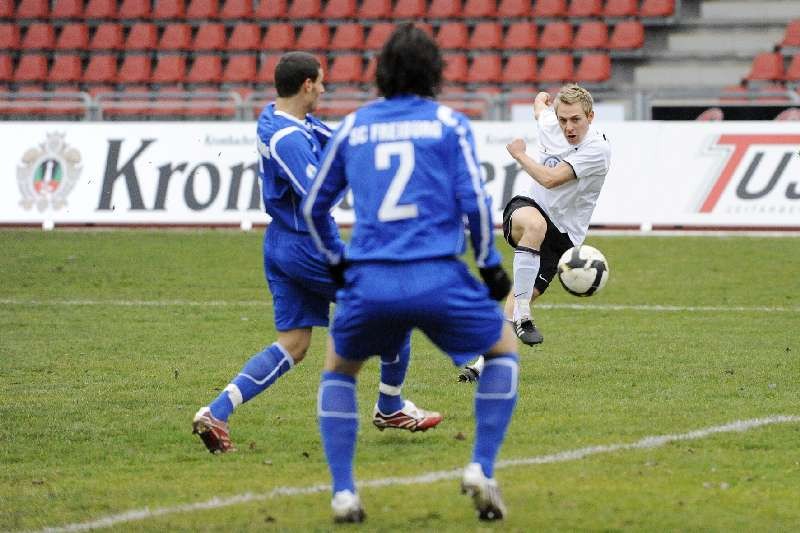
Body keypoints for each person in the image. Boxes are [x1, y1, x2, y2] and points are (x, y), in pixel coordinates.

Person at [303, 25, 519, 523]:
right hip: (438, 275)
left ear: (381, 72)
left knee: (339, 370)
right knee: (502, 350)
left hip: (371, 279)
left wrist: (337, 263)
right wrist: (489, 266)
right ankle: (481, 467)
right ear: (434, 72)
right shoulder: (448, 123)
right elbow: (476, 204)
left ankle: (343, 493)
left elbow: (314, 206)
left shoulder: (354, 125)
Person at [192, 51, 442, 454]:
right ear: (307, 85)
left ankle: (216, 412)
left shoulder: (282, 119)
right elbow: (317, 197)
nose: (324, 90)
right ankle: (390, 406)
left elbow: (342, 144)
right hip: (308, 246)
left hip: (282, 242)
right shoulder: (288, 138)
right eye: (321, 82)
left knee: (293, 344)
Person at [458, 84, 611, 382]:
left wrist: (519, 155)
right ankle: (525, 316)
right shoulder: (551, 122)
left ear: (590, 117)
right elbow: (540, 109)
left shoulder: (597, 150)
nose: (568, 127)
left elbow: (551, 179)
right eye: (563, 119)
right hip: (529, 209)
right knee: (535, 226)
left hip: (564, 237)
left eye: (576, 119)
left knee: (517, 297)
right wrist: (541, 99)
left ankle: (481, 365)